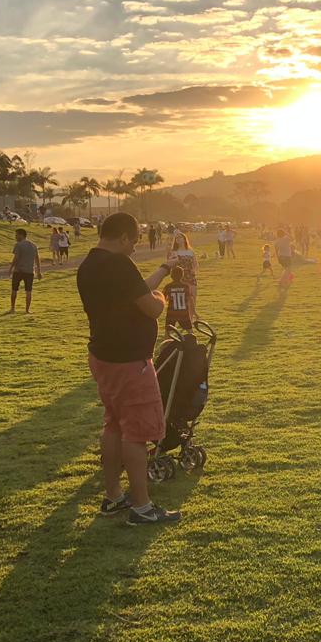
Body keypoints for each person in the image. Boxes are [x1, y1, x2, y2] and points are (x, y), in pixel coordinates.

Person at [76, 212, 180, 526]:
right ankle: (142, 506)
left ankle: (113, 496)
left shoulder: (89, 265)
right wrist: (161, 297)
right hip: (130, 362)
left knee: (114, 425)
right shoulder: (119, 264)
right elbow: (150, 306)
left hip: (103, 356)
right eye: (133, 241)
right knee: (136, 432)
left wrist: (163, 269)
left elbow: (135, 290)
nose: (135, 248)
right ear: (122, 237)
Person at [8, 227, 42, 314]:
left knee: (14, 290)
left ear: (21, 235)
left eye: (16, 235)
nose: (15, 237)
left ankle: (12, 309)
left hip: (18, 271)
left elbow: (16, 258)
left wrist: (10, 268)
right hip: (30, 271)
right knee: (28, 291)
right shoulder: (34, 245)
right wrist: (39, 272)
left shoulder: (18, 245)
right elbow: (37, 259)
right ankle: (27, 310)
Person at [169, 230, 199, 321]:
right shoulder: (175, 252)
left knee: (193, 296)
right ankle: (187, 318)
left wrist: (194, 270)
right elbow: (171, 264)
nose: (178, 239)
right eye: (177, 238)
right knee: (186, 298)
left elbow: (195, 263)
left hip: (190, 275)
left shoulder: (190, 251)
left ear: (184, 239)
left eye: (180, 237)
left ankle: (191, 317)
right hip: (180, 277)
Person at [162, 265, 193, 333]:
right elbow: (190, 299)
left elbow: (162, 299)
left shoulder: (168, 286)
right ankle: (193, 343)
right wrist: (194, 313)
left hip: (171, 313)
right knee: (190, 332)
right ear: (182, 275)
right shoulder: (186, 286)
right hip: (183, 313)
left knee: (168, 333)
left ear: (172, 275)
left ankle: (167, 343)